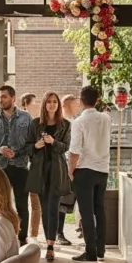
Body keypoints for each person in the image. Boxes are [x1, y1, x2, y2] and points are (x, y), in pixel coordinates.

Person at [0, 85, 32, 244]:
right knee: (0, 205)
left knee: (22, 205)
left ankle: (22, 238)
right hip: (1, 168)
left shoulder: (26, 118)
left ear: (13, 98)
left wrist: (17, 153)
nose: (0, 100)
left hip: (20, 167)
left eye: (4, 97)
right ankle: (2, 237)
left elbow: (31, 143)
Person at [27, 92, 71, 263]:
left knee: (53, 207)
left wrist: (53, 142)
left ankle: (51, 246)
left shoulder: (65, 124)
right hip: (40, 170)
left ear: (58, 105)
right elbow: (27, 147)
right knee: (45, 209)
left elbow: (65, 147)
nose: (52, 105)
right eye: (49, 102)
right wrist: (36, 146)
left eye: (55, 102)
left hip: (57, 170)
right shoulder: (35, 124)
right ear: (44, 104)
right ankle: (48, 242)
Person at [69, 86, 111, 263]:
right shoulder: (106, 118)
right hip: (103, 170)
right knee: (99, 210)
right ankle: (100, 250)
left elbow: (75, 150)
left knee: (86, 212)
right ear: (97, 100)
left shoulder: (79, 122)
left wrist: (70, 170)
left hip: (85, 170)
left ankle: (90, 253)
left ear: (80, 101)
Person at [55, 94, 80, 245]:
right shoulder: (64, 124)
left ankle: (78, 230)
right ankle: (59, 233)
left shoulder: (75, 122)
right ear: (66, 105)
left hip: (76, 166)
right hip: (65, 168)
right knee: (63, 203)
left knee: (70, 202)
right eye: (75, 104)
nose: (78, 106)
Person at [19, 93, 42, 241]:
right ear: (26, 104)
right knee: (23, 204)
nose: (37, 104)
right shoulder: (24, 121)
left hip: (33, 167)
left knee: (35, 203)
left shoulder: (38, 122)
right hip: (23, 166)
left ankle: (32, 235)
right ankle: (25, 234)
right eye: (35, 102)